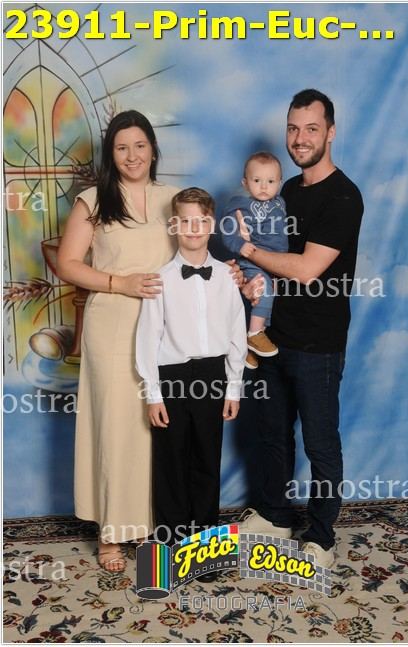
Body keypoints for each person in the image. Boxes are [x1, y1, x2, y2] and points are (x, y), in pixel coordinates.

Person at [57, 112, 243, 572]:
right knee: (117, 430)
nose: (132, 155)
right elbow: (67, 264)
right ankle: (112, 532)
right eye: (121, 147)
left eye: (140, 145)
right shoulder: (93, 200)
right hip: (113, 326)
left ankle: (152, 526)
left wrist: (231, 273)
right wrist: (118, 283)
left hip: (169, 333)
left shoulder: (169, 200)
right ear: (111, 154)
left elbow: (196, 249)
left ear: (153, 149)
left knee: (157, 434)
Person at [238, 89, 363, 569]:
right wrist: (245, 277)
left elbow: (308, 269)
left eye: (311, 128)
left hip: (319, 344)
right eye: (293, 128)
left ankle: (322, 537)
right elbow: (269, 266)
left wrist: (249, 252)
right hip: (273, 336)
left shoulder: (344, 196)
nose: (300, 138)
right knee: (271, 433)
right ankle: (275, 515)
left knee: (320, 442)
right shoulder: (285, 189)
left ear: (331, 132)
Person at [136, 187, 247, 581]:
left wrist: (233, 387)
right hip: (172, 378)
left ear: (211, 224)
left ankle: (205, 550)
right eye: (185, 221)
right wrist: (153, 394)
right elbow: (148, 338)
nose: (193, 228)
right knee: (170, 462)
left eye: (201, 221)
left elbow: (237, 333)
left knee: (206, 461)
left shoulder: (227, 277)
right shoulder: (160, 280)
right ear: (174, 226)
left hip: (213, 376)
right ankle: (169, 550)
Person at [221, 152, 287, 370]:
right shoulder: (240, 205)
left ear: (279, 183)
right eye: (257, 180)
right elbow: (228, 232)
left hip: (276, 263)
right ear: (245, 183)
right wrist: (240, 245)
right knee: (263, 291)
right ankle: (255, 334)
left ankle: (250, 350)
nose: (264, 187)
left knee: (268, 303)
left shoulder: (280, 203)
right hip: (252, 261)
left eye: (271, 181)